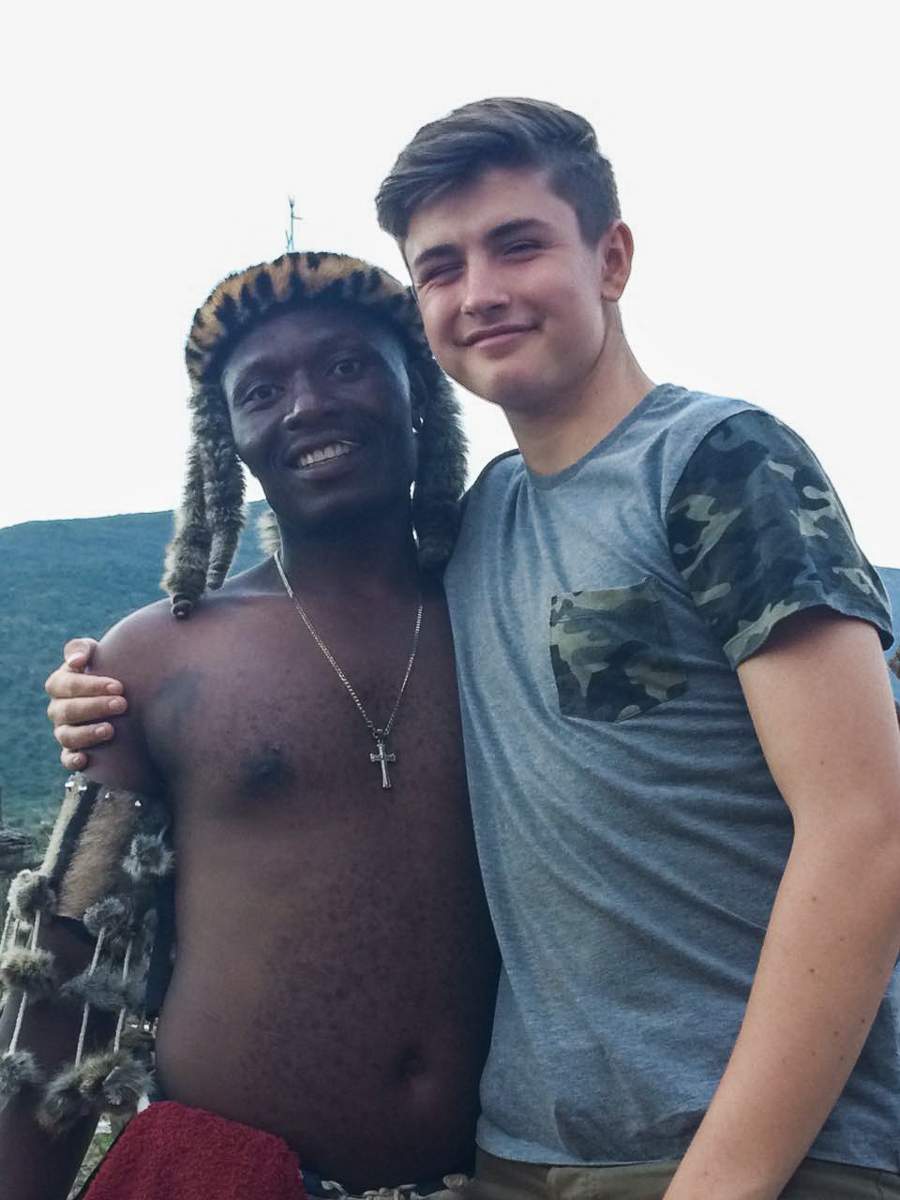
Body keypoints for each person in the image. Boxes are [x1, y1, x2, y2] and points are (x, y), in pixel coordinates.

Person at [48, 98, 900, 1200]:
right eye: (441, 267)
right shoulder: (480, 531)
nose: (481, 291)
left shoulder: (717, 461)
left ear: (612, 258)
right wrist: (96, 692)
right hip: (523, 1153)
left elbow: (868, 825)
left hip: (766, 1151)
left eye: (518, 244)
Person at [2, 250, 499, 1200]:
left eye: (347, 366)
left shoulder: (507, 614)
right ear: (226, 438)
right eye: (262, 391)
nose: (308, 406)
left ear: (417, 393)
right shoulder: (157, 658)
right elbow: (66, 963)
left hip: (510, 1172)